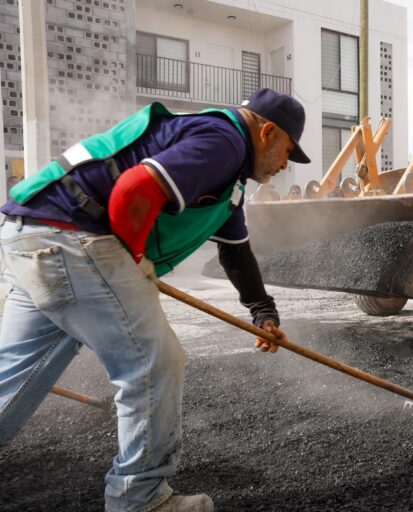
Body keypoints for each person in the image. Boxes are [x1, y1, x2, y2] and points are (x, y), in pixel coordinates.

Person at [0, 88, 310, 512]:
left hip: (30, 233)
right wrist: (135, 260)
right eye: (287, 152)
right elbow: (134, 188)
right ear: (268, 132)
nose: (284, 166)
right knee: (153, 363)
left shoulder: (229, 180)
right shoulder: (225, 140)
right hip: (71, 236)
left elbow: (235, 251)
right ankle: (140, 499)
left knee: (14, 376)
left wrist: (263, 313)